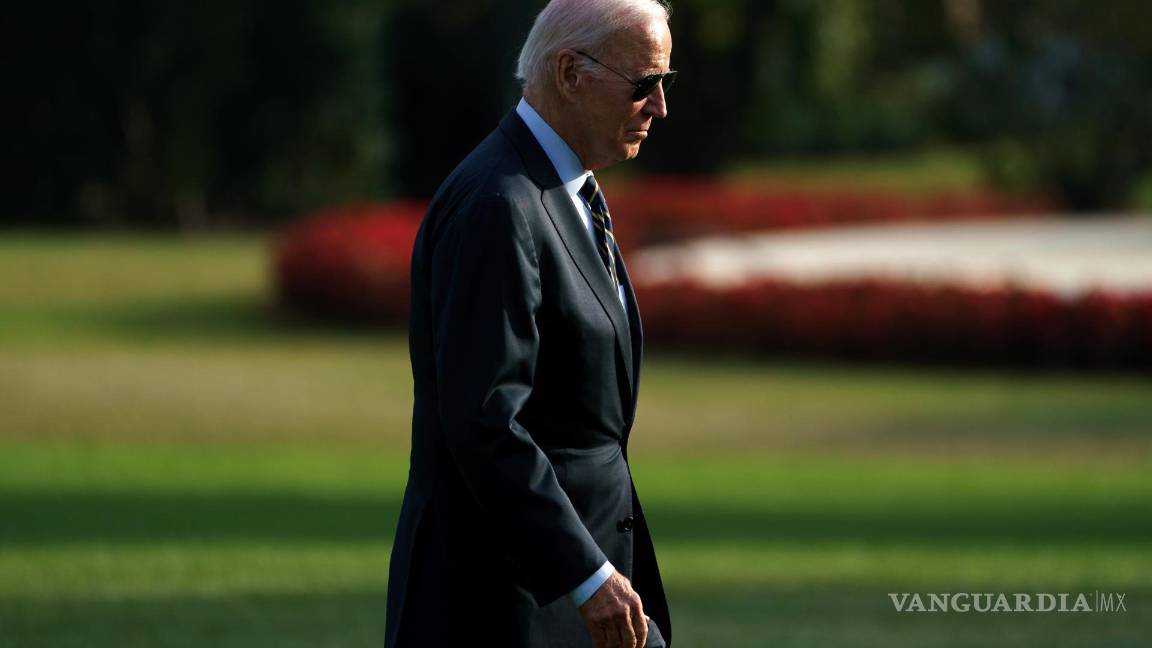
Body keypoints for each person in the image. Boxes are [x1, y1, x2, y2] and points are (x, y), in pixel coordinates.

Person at [385, 1, 676, 646]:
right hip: (504, 603)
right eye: (643, 84)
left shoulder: (562, 190)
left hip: (569, 594)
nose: (659, 106)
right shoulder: (500, 204)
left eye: (664, 83)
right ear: (570, 73)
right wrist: (585, 575)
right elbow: (486, 420)